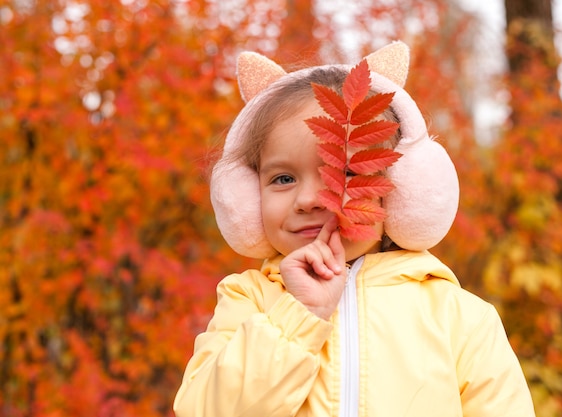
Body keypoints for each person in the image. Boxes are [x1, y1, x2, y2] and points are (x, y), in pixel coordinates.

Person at [173, 41, 536, 417]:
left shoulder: (458, 317)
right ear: (248, 196)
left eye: (345, 173)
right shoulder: (248, 302)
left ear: (399, 187)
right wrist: (298, 317)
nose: (309, 199)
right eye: (283, 178)